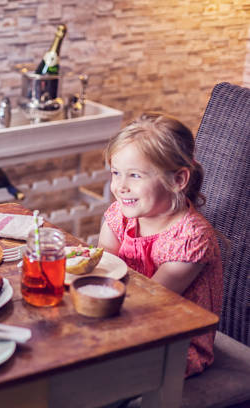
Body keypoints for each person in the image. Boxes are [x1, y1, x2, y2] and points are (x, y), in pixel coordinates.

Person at [98, 112, 222, 377]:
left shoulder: (191, 239)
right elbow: (103, 270)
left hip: (174, 341)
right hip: (124, 319)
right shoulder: (118, 215)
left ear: (178, 180)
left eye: (135, 176)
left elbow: (148, 301)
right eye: (116, 173)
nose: (120, 186)